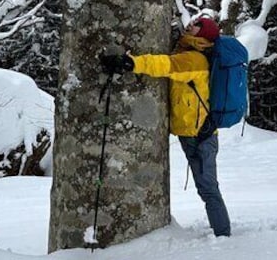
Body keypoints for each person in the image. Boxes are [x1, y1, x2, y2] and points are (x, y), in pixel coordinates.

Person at [99, 16, 231, 237]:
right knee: (206, 187)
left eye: (197, 25)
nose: (191, 24)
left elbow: (166, 65)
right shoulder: (186, 51)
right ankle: (220, 229)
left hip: (201, 135)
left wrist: (132, 63)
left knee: (208, 187)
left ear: (203, 35)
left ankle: (223, 235)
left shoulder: (195, 60)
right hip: (191, 132)